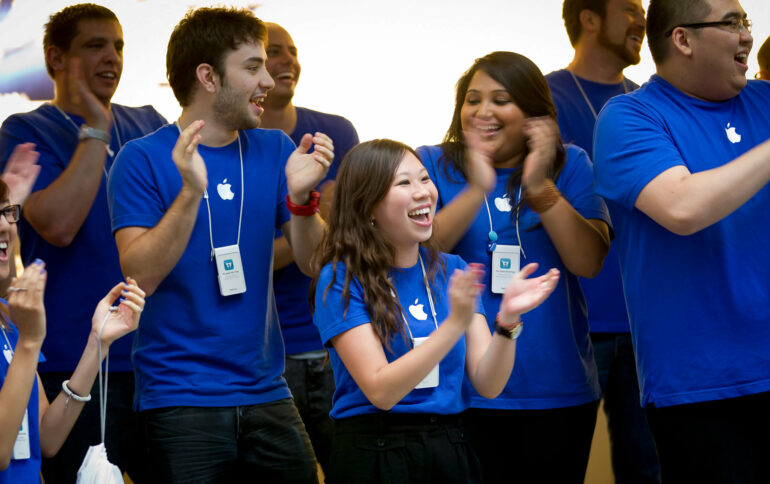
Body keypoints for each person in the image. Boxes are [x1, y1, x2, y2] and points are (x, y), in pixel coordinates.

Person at [107, 7, 334, 483]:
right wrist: (190, 191)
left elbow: (316, 262)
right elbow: (140, 277)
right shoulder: (142, 158)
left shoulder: (275, 148)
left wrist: (301, 201)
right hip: (179, 397)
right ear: (208, 76)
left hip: (268, 391)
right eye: (252, 67)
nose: (268, 81)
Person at [311, 139, 560, 483]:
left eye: (425, 179)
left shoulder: (451, 269)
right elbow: (381, 391)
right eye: (404, 183)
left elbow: (488, 383)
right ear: (367, 205)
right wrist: (453, 325)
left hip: (450, 443)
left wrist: (507, 322)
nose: (423, 192)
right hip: (376, 449)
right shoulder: (341, 278)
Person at [593, 0, 770, 481]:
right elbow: (683, 208)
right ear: (683, 39)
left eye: (746, 22)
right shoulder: (629, 117)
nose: (746, 36)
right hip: (701, 389)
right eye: (731, 23)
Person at [418, 51, 612, 483]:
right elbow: (421, 254)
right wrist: (476, 187)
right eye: (473, 99)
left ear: (532, 112)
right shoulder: (431, 163)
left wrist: (540, 187)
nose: (483, 111)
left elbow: (588, 261)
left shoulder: (571, 163)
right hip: (461, 390)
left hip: (556, 390)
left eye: (501, 99)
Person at [0, 5, 166, 482]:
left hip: (154, 360)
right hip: (67, 363)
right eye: (95, 46)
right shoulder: (25, 129)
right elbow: (59, 225)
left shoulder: (149, 122)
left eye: (117, 46)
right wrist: (95, 128)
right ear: (55, 58)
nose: (111, 57)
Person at [546, 1, 660, 482]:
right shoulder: (543, 98)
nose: (643, 19)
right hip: (566, 322)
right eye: (631, 8)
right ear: (589, 17)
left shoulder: (652, 103)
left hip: (649, 325)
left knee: (650, 471)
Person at [0, 144, 146, 484]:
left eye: (7, 212)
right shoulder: (22, 329)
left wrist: (98, 343)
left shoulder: (9, 319)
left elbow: (47, 440)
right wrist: (30, 343)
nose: (7, 225)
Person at [260, 22, 359, 471]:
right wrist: (313, 216)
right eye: (272, 52)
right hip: (266, 358)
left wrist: (268, 240)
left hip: (333, 343)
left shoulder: (332, 131)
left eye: (292, 51)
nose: (288, 61)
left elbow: (338, 241)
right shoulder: (228, 144)